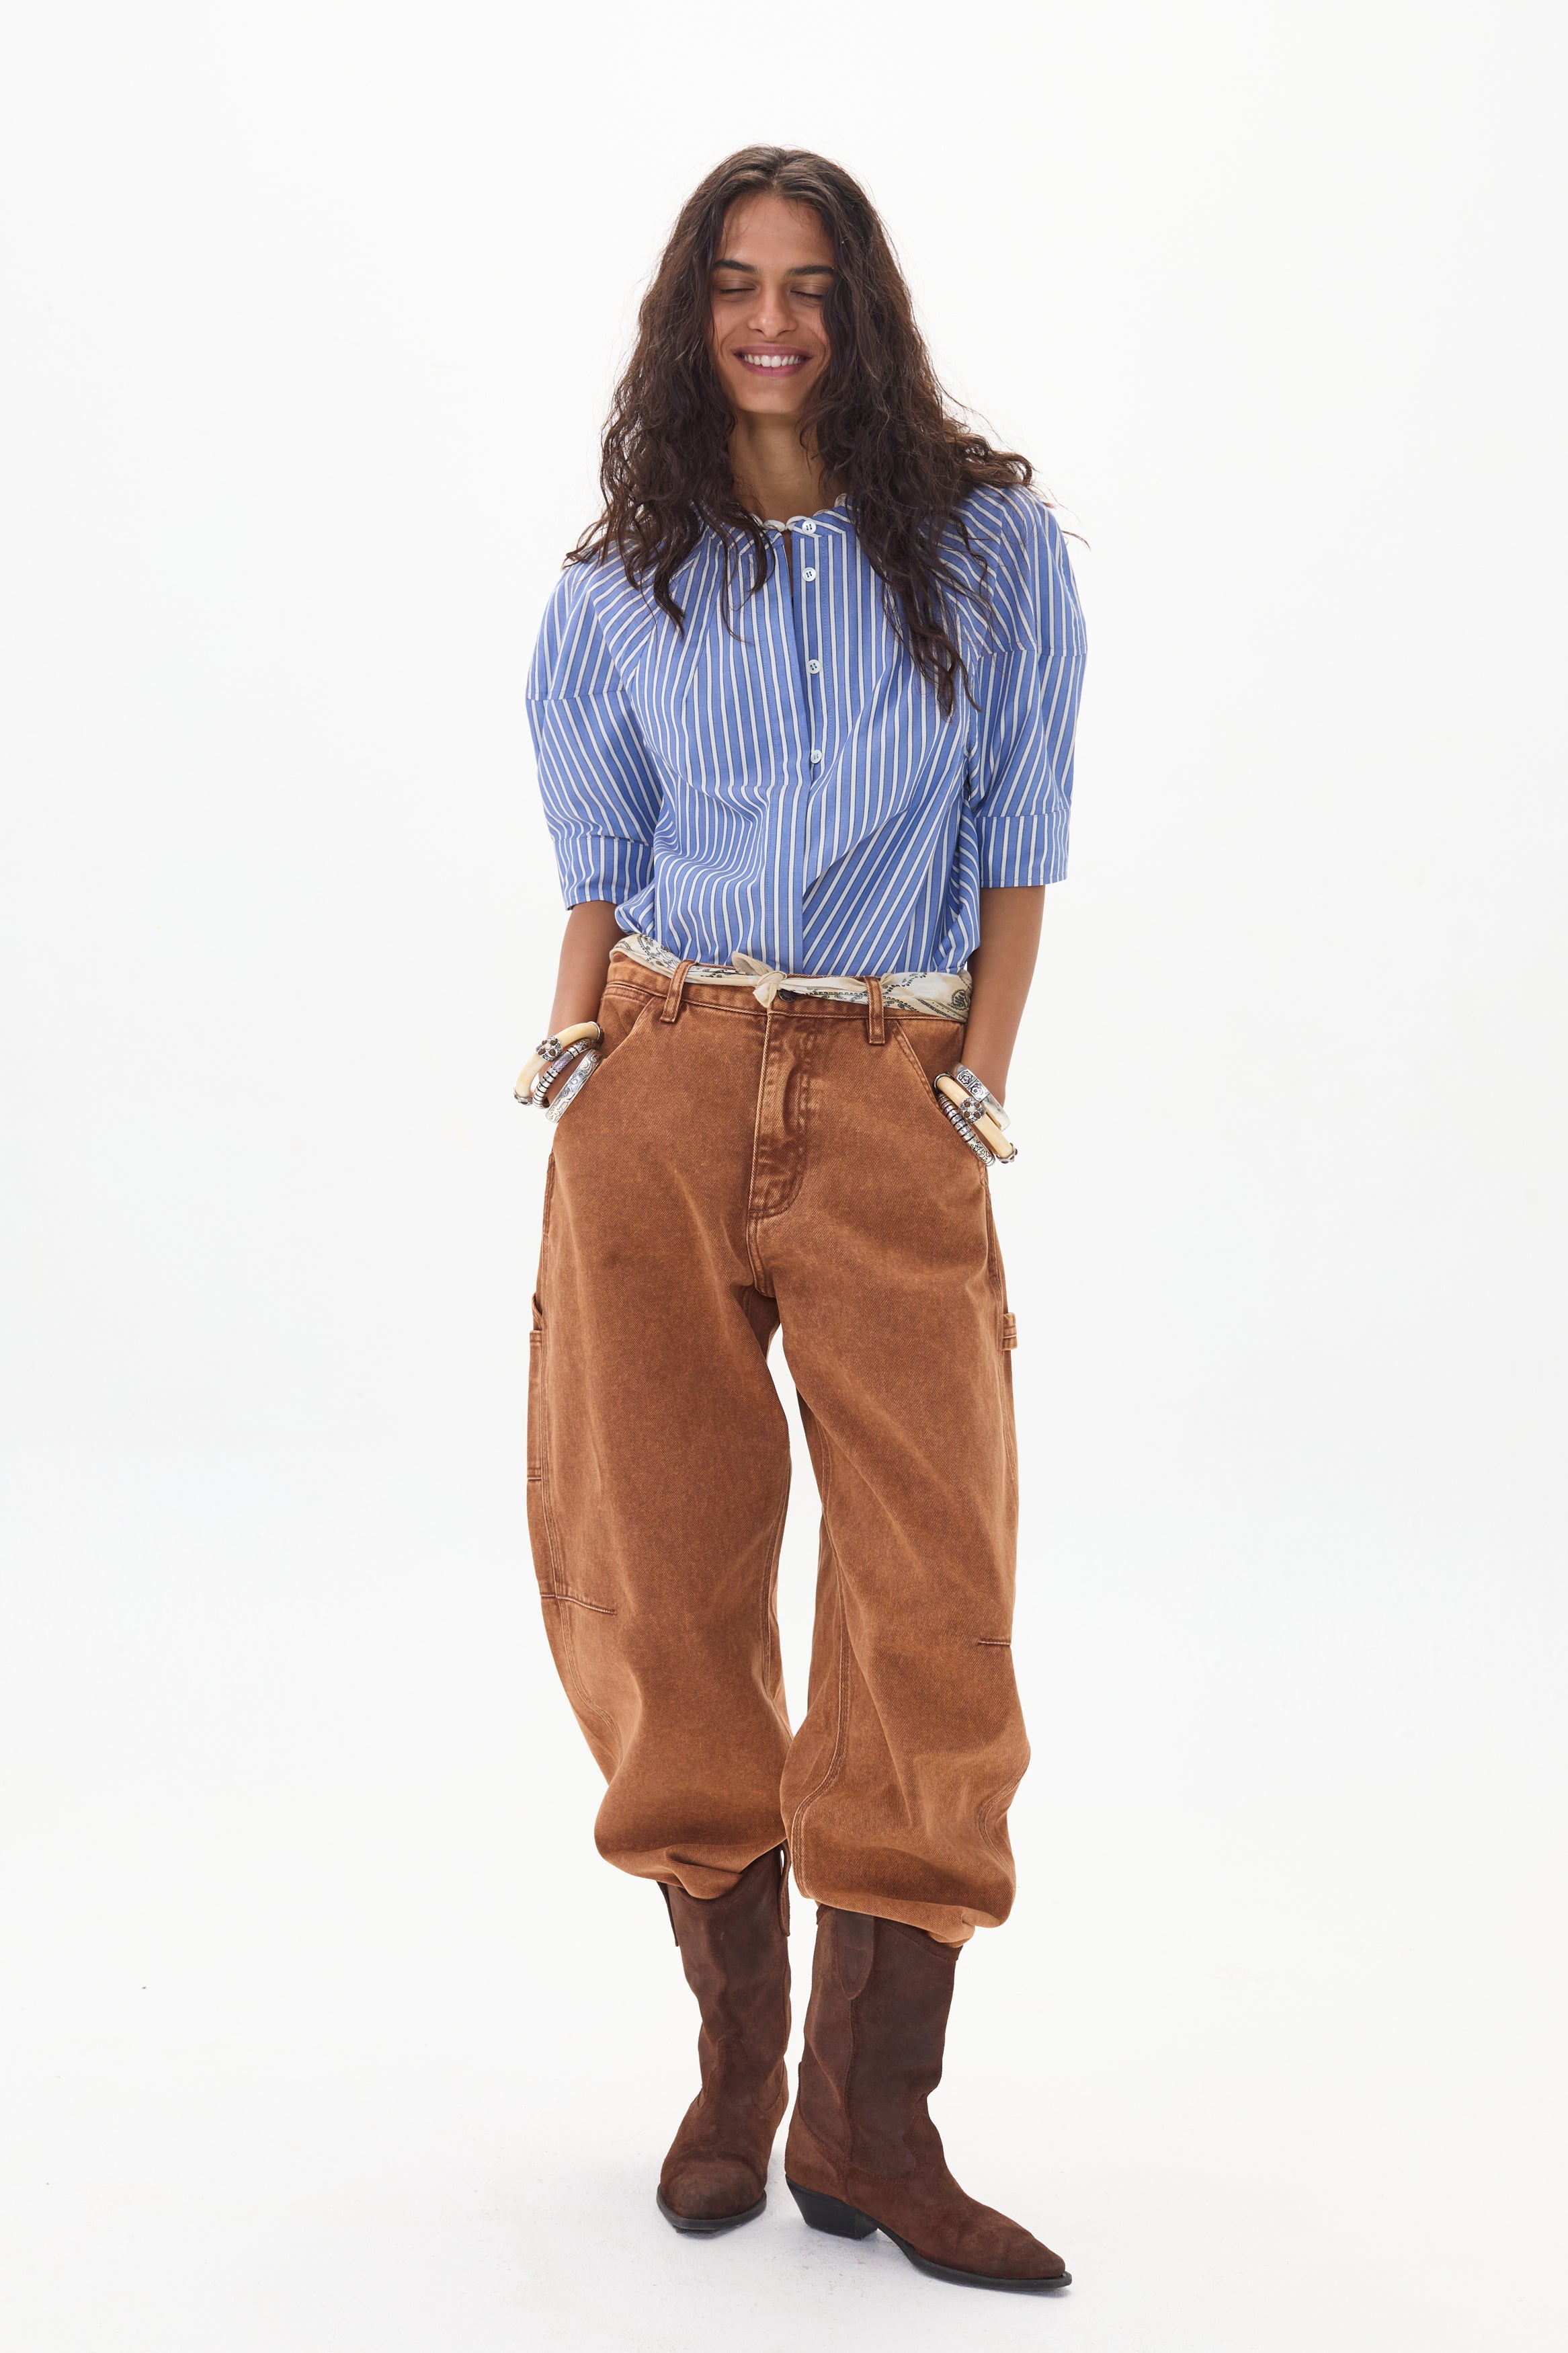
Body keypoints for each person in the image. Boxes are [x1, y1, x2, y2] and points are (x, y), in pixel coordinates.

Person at [519, 146, 1085, 2294]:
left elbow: (1021, 838)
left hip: (889, 1084)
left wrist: (971, 1093)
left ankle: (874, 2116)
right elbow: (599, 865)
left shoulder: (993, 553)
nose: (776, 321)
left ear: (866, 313)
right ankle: (738, 2063)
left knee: (933, 1589)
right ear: (693, 316)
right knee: (659, 1574)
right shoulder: (619, 588)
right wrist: (573, 1066)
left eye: (814, 284)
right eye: (740, 284)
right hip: (656, 1082)